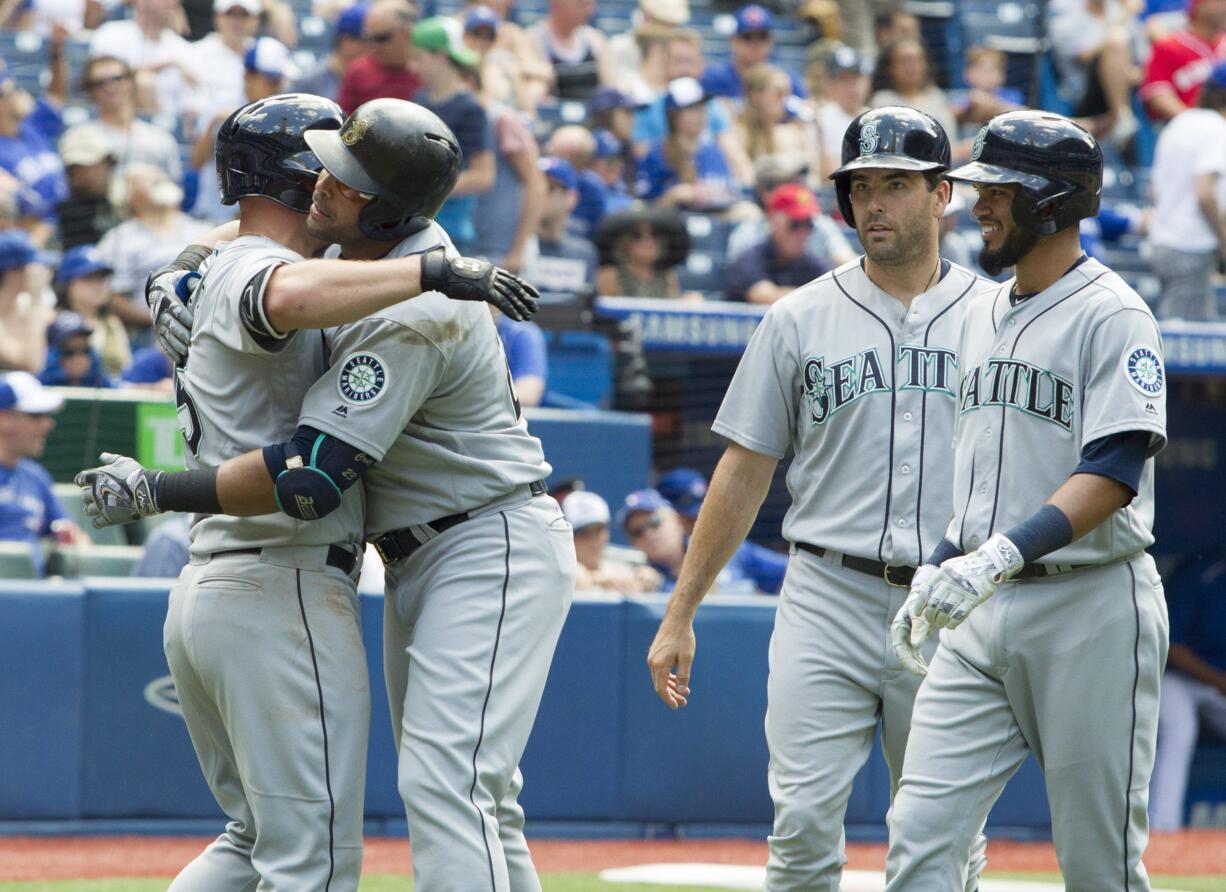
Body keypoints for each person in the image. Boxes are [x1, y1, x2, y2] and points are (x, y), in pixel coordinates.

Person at [79, 97, 564, 891]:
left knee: (449, 783)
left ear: (380, 212)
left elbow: (306, 478)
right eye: (321, 170)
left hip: (482, 537)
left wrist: (157, 488)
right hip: (368, 560)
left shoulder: (412, 302)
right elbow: (268, 249)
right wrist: (176, 263)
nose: (321, 186)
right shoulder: (358, 261)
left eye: (341, 180)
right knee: (462, 792)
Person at [645, 106, 992, 890]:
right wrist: (681, 610)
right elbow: (742, 468)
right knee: (801, 829)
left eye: (896, 185)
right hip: (826, 592)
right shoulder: (797, 316)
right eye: (860, 186)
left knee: (942, 843)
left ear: (942, 195)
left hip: (949, 603)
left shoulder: (997, 319)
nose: (873, 203)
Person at [886, 111, 1168, 890]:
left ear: (1049, 202)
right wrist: (941, 567)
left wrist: (998, 556)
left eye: (998, 190)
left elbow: (1114, 469)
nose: (978, 205)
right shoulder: (979, 310)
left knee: (1096, 866)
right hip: (982, 616)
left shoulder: (1114, 313)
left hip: (1091, 609)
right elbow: (982, 478)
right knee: (918, 843)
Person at [1149, 550, 1226, 830]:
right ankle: (1163, 829)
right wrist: (1217, 680)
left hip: (1219, 688)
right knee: (1180, 728)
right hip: (1180, 679)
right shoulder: (1201, 573)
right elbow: (1172, 646)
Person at [1148, 60, 1226, 320]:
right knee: (1180, 342)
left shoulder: (1179, 123)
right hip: (1190, 247)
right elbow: (1204, 192)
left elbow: (1155, 190)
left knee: (1200, 326)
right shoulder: (1216, 129)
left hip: (1163, 241)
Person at [411, 16, 493, 252]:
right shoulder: (420, 99)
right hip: (415, 224)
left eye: (419, 58)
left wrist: (424, 191)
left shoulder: (470, 108)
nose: (413, 66)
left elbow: (483, 176)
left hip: (453, 232)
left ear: (440, 56)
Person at [99, 164, 211, 330]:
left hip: (204, 325)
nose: (159, 178)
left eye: (160, 176)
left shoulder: (203, 230)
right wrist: (166, 321)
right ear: (129, 195)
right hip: (148, 331)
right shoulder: (118, 239)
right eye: (147, 179)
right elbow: (114, 299)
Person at [0, 371, 85, 575]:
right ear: (4, 419)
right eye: (36, 416)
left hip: (34, 598)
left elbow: (74, 536)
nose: (48, 424)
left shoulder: (36, 477)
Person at [656, 466, 788, 594]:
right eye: (690, 519)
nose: (700, 523)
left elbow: (788, 569)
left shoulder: (731, 548)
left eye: (702, 515)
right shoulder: (656, 561)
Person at [635, 77, 744, 212]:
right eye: (693, 109)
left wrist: (697, 193)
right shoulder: (657, 153)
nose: (701, 114)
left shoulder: (712, 150)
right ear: (674, 115)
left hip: (714, 220)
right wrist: (673, 197)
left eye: (703, 107)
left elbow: (730, 193)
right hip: (675, 224)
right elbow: (644, 205)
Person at [620, 488, 757, 595]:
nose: (648, 534)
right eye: (637, 532)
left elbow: (778, 574)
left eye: (654, 523)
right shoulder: (640, 575)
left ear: (676, 519)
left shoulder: (723, 547)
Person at [69, 55, 182, 183]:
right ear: (90, 91)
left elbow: (173, 189)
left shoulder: (160, 138)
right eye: (100, 83)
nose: (110, 87)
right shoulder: (81, 137)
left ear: (131, 82)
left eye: (117, 79)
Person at [1046, 0, 1142, 143]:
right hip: (1084, 93)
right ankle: (1121, 117)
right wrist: (1124, 17)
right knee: (1116, 40)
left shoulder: (1116, 10)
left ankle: (1121, 118)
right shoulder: (1067, 16)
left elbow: (1141, 59)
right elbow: (1083, 56)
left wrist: (1130, 72)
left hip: (1126, 87)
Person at [724, 183, 830, 303]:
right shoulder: (750, 259)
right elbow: (765, 297)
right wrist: (817, 295)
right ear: (774, 221)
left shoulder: (811, 262)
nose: (802, 232)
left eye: (808, 224)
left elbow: (832, 293)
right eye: (796, 223)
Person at [88, 0, 195, 119]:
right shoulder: (111, 34)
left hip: (172, 126)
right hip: (121, 120)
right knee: (144, 81)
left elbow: (194, 101)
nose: (172, 3)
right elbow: (103, 78)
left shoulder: (182, 47)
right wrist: (166, 64)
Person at [526, 155, 600, 299]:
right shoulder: (516, 247)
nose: (538, 194)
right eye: (534, 186)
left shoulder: (584, 252)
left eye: (549, 188)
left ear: (571, 197)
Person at [699, 4, 806, 102]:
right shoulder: (713, 78)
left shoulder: (788, 80)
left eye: (762, 36)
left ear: (771, 40)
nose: (755, 43)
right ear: (733, 40)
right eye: (747, 37)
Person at [1141, 0, 1226, 122]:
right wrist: (1195, 122)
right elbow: (1158, 96)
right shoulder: (1168, 46)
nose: (1224, 8)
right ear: (1200, 7)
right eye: (1219, 3)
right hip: (1190, 128)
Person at [564, 489, 662, 592]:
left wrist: (646, 577)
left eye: (598, 530)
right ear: (569, 538)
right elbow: (577, 578)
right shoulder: (561, 568)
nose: (593, 541)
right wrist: (600, 579)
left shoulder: (623, 566)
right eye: (583, 534)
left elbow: (648, 576)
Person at [55, 245, 130, 375]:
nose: (98, 286)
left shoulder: (111, 323)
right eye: (89, 279)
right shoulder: (54, 320)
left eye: (102, 279)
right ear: (68, 284)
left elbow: (126, 369)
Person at [595, 203, 695, 299]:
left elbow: (671, 311)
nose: (647, 241)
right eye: (637, 235)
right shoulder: (609, 276)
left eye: (655, 234)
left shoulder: (667, 276)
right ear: (623, 242)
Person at [338, 0, 420, 114]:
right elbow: (344, 122)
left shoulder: (425, 70)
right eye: (369, 38)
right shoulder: (359, 70)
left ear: (406, 33)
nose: (374, 46)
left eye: (381, 38)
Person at [869, 37, 957, 142]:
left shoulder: (937, 96)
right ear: (890, 67)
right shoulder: (882, 102)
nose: (912, 66)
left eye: (918, 59)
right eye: (905, 61)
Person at [530, 0, 613, 101]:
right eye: (582, 4)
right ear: (558, 5)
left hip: (594, 114)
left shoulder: (594, 38)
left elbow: (611, 86)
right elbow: (534, 93)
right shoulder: (533, 39)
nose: (590, 11)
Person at [55, 125, 119, 251]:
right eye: (77, 168)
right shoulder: (65, 213)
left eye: (92, 165)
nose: (86, 175)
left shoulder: (132, 199)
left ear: (108, 162)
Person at [812, 44, 871, 180]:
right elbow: (825, 173)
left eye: (856, 78)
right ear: (829, 84)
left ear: (866, 81)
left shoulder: (875, 117)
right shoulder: (820, 117)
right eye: (843, 79)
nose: (852, 87)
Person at [288, 2, 369, 101]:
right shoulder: (308, 83)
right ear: (347, 41)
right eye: (368, 41)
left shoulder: (376, 78)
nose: (375, 47)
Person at [0, 229, 54, 374]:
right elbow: (31, 364)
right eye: (32, 266)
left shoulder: (24, 305)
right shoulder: (32, 305)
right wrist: (35, 300)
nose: (41, 271)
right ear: (12, 272)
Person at [40, 311, 114, 388]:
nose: (78, 359)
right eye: (69, 352)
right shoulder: (37, 388)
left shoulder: (102, 383)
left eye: (84, 350)